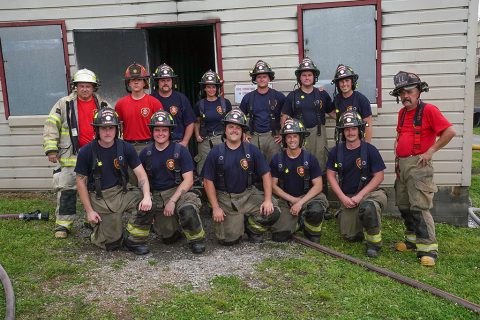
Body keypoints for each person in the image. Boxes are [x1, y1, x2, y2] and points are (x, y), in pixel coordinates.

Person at [390, 71, 455, 267]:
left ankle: (428, 248)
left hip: (419, 166)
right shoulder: (402, 113)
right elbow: (401, 133)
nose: (405, 97)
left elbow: (449, 132)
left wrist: (431, 151)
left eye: (408, 91)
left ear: (419, 91)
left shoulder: (429, 110)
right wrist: (397, 144)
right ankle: (412, 239)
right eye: (401, 93)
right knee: (404, 204)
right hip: (402, 165)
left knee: (419, 206)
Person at [125, 110, 206, 254]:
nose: (160, 133)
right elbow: (141, 179)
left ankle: (196, 240)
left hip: (179, 192)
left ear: (170, 132)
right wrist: (146, 196)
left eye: (164, 130)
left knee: (187, 210)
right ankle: (135, 240)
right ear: (152, 131)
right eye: (157, 130)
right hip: (156, 194)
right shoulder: (145, 153)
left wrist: (173, 201)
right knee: (167, 236)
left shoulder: (181, 151)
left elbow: (188, 180)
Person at [74, 107, 152, 253]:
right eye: (103, 128)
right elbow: (80, 182)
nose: (107, 132)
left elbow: (141, 175)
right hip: (100, 197)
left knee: (148, 205)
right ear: (97, 130)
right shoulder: (86, 152)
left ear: (117, 129)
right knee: (112, 243)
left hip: (121, 192)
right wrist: (89, 211)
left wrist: (147, 196)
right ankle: (97, 229)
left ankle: (133, 240)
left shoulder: (126, 148)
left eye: (111, 128)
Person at [43, 68, 110, 239]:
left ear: (94, 87)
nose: (85, 89)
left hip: (96, 155)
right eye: (81, 86)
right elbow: (51, 125)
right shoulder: (63, 104)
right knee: (67, 188)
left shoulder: (103, 106)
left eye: (88, 86)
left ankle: (93, 220)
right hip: (71, 156)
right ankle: (63, 225)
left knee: (97, 189)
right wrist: (51, 149)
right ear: (75, 87)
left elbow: (115, 129)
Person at [202, 109, 280, 245]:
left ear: (243, 131)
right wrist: (215, 207)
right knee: (229, 240)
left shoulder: (252, 150)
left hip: (247, 195)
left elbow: (266, 174)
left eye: (238, 127)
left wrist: (267, 199)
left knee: (273, 209)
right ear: (225, 130)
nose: (234, 130)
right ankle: (238, 222)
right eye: (230, 127)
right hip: (225, 199)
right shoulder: (215, 153)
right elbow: (208, 181)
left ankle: (252, 229)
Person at [326, 111, 387, 257]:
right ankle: (361, 225)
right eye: (346, 129)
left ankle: (374, 244)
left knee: (369, 207)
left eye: (353, 128)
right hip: (348, 197)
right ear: (342, 131)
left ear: (359, 130)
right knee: (349, 236)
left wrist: (360, 196)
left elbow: (379, 176)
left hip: (370, 194)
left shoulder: (370, 150)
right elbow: (330, 175)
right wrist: (342, 198)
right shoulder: (336, 151)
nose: (350, 132)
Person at [270, 118, 329, 243]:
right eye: (289, 137)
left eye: (295, 136)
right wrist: (292, 200)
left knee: (316, 210)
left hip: (308, 197)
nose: (292, 140)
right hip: (286, 200)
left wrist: (300, 202)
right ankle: (298, 222)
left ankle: (311, 228)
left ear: (301, 138)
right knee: (279, 237)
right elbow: (273, 186)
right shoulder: (277, 159)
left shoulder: (310, 158)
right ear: (285, 139)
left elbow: (318, 186)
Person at [281, 57, 333, 171]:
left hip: (319, 135)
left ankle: (320, 187)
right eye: (304, 75)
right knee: (301, 162)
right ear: (299, 77)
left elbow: (332, 113)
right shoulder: (292, 96)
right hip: (298, 134)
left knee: (320, 161)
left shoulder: (323, 94)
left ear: (314, 77)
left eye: (309, 75)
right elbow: (284, 116)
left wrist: (350, 122)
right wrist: (283, 136)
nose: (307, 77)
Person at [240, 60, 285, 164]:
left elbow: (286, 116)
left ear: (269, 78)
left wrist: (283, 133)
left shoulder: (279, 96)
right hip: (253, 137)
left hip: (273, 137)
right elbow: (240, 118)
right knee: (254, 167)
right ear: (255, 79)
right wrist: (243, 134)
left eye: (264, 76)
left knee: (275, 167)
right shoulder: (248, 98)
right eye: (259, 77)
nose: (262, 79)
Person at [115, 62, 163, 153]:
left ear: (145, 82)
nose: (136, 82)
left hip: (149, 145)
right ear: (128, 83)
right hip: (127, 146)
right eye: (132, 80)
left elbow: (162, 128)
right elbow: (118, 127)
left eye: (139, 79)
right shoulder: (120, 104)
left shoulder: (155, 103)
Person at [193, 70, 232, 174]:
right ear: (204, 88)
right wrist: (197, 135)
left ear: (217, 88)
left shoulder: (225, 103)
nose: (211, 89)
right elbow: (196, 122)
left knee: (224, 165)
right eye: (208, 87)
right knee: (204, 167)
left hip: (221, 139)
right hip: (205, 140)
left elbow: (231, 123)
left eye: (214, 87)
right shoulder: (200, 104)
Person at [151, 63, 195, 147]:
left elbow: (190, 123)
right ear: (157, 82)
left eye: (168, 80)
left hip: (178, 143)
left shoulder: (181, 99)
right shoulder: (151, 99)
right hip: (157, 145)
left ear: (172, 81)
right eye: (162, 80)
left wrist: (185, 142)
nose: (165, 83)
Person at [329, 64, 373, 142]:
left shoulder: (361, 99)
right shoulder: (337, 99)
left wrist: (366, 146)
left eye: (347, 80)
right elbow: (331, 111)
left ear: (352, 82)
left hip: (358, 143)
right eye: (341, 81)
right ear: (338, 84)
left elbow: (368, 125)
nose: (344, 84)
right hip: (341, 142)